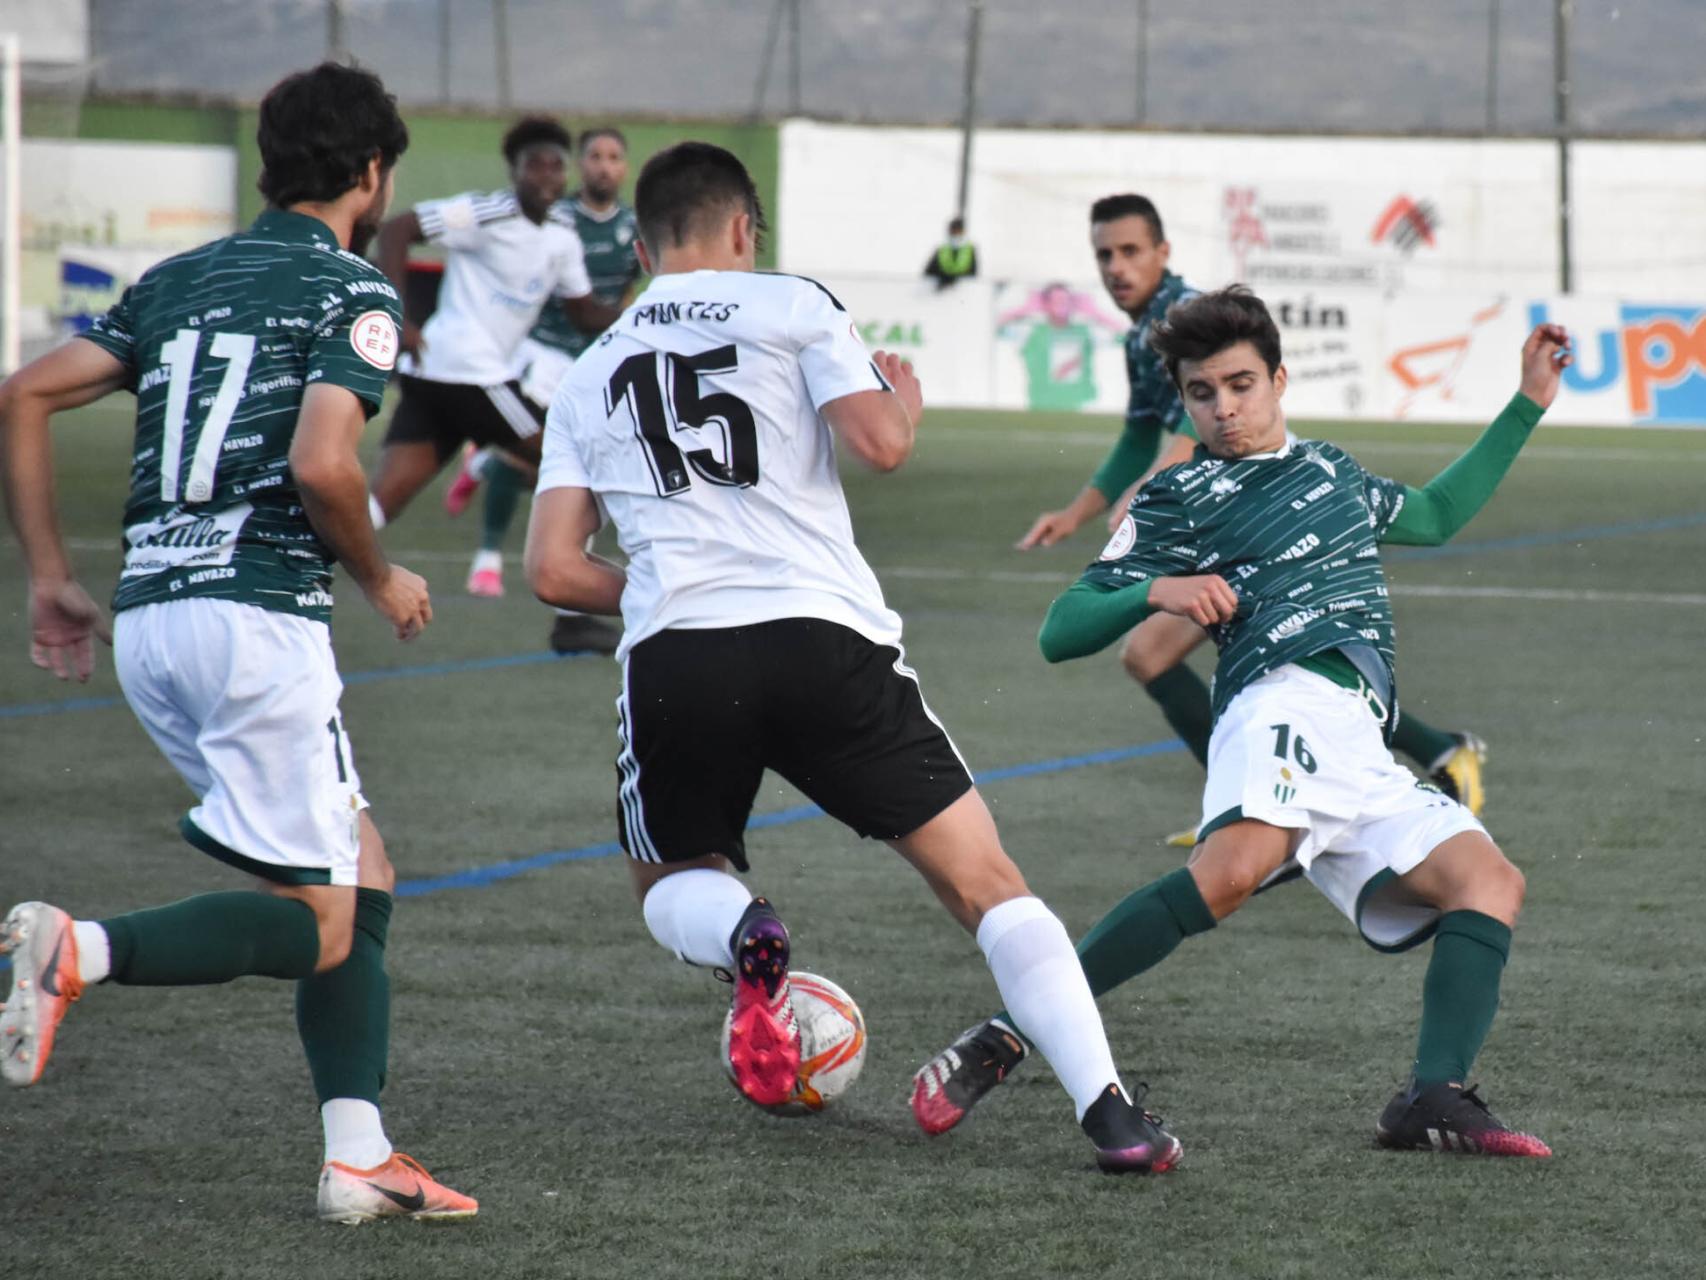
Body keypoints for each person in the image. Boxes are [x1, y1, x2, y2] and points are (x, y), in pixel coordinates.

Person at [524, 141, 1178, 1173]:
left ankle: (745, 931)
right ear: (743, 228)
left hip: (679, 658)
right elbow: (881, 444)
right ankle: (1112, 1114)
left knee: (669, 880)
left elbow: (553, 570)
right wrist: (901, 401)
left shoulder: (588, 370)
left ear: (644, 247)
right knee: (986, 884)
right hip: (822, 641)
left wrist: (663, 584)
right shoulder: (791, 302)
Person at [912, 287, 1568, 1159]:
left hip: (1360, 741)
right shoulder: (1181, 494)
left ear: (1279, 381)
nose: (1223, 408)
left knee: (1489, 883)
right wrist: (1157, 589)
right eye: (1201, 393)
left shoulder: (1333, 471)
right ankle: (1011, 1029)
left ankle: (1431, 1095)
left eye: (1240, 384)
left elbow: (1437, 516)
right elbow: (1060, 630)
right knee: (1226, 876)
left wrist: (1528, 401)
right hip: (1277, 703)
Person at [0, 63, 475, 1223]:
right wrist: (380, 576)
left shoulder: (177, 278)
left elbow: (23, 394)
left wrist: (52, 576)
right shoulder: (352, 288)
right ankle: (75, 949)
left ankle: (359, 1154)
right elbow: (323, 462)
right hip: (254, 624)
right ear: (372, 173)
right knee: (322, 920)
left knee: (359, 867)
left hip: (153, 621)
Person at [1019, 195, 1486, 840]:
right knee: (1177, 654)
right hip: (1220, 511)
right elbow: (1138, 434)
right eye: (1105, 255)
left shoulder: (1182, 318)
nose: (1116, 267)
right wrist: (1077, 513)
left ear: (1163, 252)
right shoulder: (1140, 336)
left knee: (1174, 654)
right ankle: (1269, 798)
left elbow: (1202, 417)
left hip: (1249, 505)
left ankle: (1258, 807)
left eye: (1130, 251)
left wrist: (1159, 482)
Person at [366, 115, 619, 537]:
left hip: (437, 379)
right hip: (470, 374)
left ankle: (298, 552)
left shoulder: (563, 236)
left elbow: (584, 313)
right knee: (571, 461)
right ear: (514, 171)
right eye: (534, 165)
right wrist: (397, 315)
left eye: (556, 166)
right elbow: (397, 229)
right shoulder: (488, 213)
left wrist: (642, 316)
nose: (546, 175)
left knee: (377, 507)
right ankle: (565, 572)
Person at [445, 126, 644, 655]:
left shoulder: (632, 227)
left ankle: (480, 467)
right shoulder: (559, 219)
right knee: (543, 460)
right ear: (581, 165)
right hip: (544, 356)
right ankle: (489, 558)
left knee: (578, 470)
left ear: (624, 167)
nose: (604, 165)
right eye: (595, 156)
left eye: (614, 157)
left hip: (594, 360)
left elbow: (622, 289)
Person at [923, 217, 978, 290]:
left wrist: (955, 278)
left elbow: (973, 274)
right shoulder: (942, 249)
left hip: (961, 291)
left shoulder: (970, 249)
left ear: (963, 232)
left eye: (958, 231)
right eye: (953, 231)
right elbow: (929, 272)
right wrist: (944, 278)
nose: (955, 234)